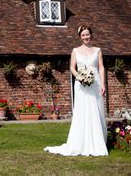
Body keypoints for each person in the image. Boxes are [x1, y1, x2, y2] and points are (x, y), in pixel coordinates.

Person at [44, 25, 108, 156]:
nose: (86, 37)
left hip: (95, 84)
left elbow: (101, 67)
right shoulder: (75, 51)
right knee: (82, 111)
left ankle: (97, 143)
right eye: (83, 35)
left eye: (88, 34)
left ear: (91, 35)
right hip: (81, 85)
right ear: (80, 37)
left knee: (96, 111)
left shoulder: (98, 51)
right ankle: (80, 143)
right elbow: (72, 68)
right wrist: (80, 76)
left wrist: (103, 84)